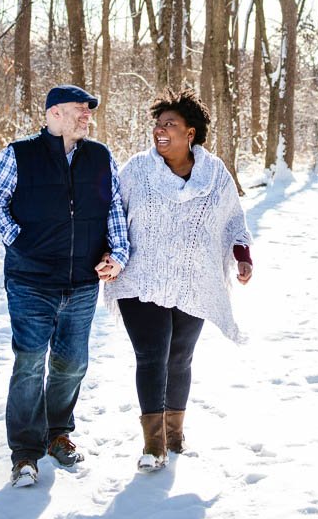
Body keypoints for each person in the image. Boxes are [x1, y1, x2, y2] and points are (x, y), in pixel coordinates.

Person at [0, 84, 128, 488]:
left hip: (82, 282)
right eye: (80, 110)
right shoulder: (19, 154)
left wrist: (119, 253)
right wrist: (18, 239)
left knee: (72, 364)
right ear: (54, 114)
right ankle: (25, 453)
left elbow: (114, 206)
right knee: (29, 363)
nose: (87, 117)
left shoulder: (99, 156)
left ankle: (56, 434)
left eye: (89, 111)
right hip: (31, 281)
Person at [105, 88, 253, 471]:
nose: (160, 130)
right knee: (152, 355)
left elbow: (233, 218)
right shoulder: (138, 169)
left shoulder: (214, 172)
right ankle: (154, 445)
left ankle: (174, 433)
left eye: (170, 124)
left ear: (191, 133)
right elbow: (111, 213)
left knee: (180, 358)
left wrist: (241, 254)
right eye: (157, 124)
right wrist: (107, 253)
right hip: (140, 279)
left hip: (194, 278)